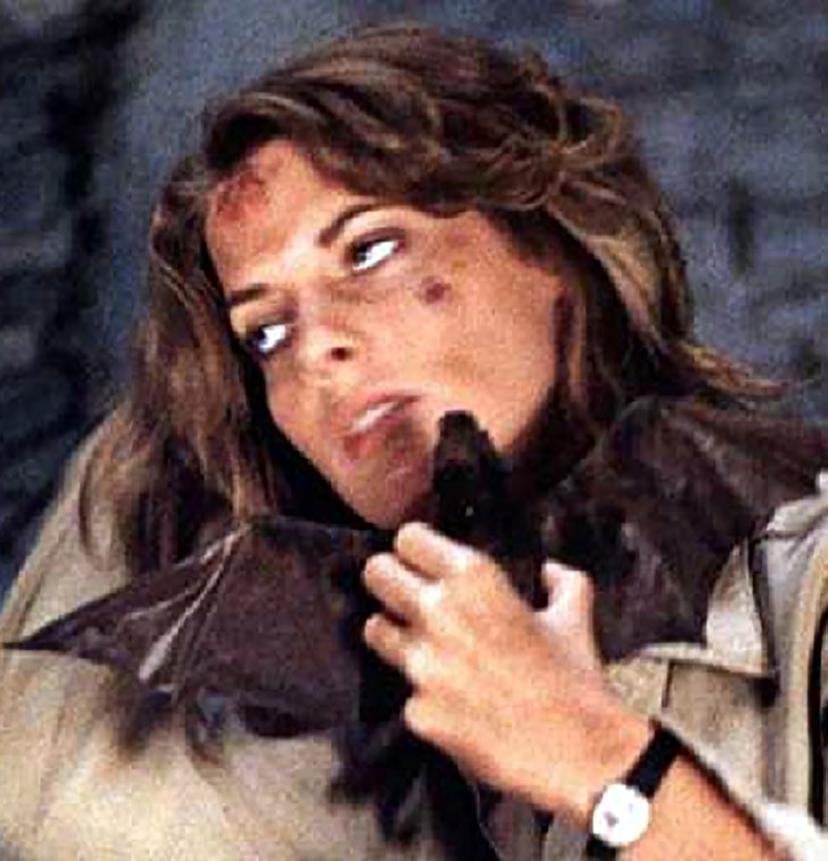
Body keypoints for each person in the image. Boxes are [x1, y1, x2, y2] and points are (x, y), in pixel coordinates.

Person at [0, 22, 826, 860]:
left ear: (548, 240)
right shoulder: (350, 709)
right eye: (267, 334)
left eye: (370, 250)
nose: (317, 350)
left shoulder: (802, 574)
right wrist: (163, 439)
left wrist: (599, 761)